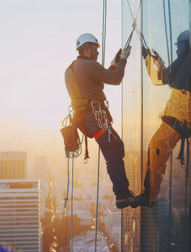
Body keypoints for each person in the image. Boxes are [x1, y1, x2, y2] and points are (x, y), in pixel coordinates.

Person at [138, 30, 191, 207]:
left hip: (178, 119)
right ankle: (150, 194)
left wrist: (147, 59)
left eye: (179, 46)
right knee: (158, 149)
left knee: (156, 149)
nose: (178, 50)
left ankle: (150, 196)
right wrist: (161, 63)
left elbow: (160, 79)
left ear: (186, 45)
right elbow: (177, 77)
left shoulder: (187, 59)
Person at [64, 33, 138, 209]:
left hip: (86, 120)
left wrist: (114, 63)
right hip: (95, 119)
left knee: (113, 148)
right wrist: (124, 60)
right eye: (94, 50)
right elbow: (114, 79)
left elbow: (99, 79)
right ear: (86, 49)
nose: (97, 53)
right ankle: (122, 195)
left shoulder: (73, 67)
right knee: (114, 149)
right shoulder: (89, 65)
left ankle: (122, 193)